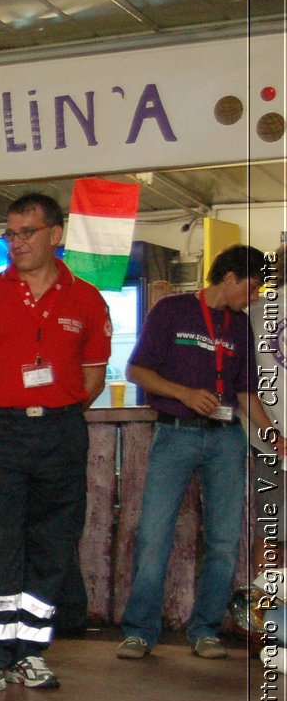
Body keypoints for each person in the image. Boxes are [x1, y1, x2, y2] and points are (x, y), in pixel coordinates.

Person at [0, 191, 110, 697]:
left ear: (54, 235)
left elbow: (93, 379)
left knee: (52, 544)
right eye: (10, 233)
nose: (16, 242)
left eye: (27, 232)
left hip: (61, 432)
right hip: (1, 431)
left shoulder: (86, 298)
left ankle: (31, 652)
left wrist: (54, 411)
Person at [118, 244, 279, 660]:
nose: (256, 294)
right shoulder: (172, 310)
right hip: (175, 433)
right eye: (253, 285)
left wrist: (272, 432)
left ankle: (205, 630)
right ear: (230, 277)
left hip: (226, 438)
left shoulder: (241, 326)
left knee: (224, 539)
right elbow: (138, 371)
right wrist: (184, 393)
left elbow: (244, 390)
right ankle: (139, 632)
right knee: (155, 534)